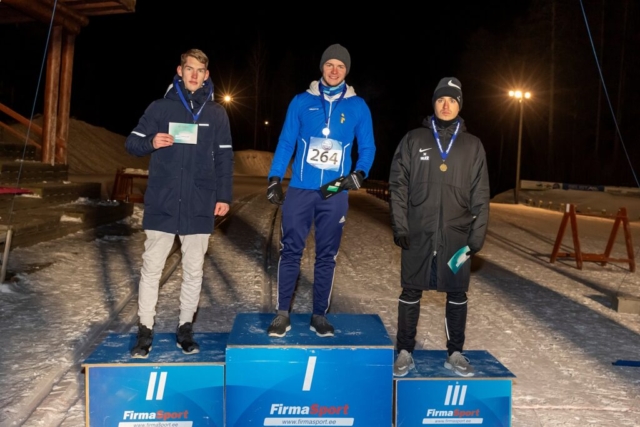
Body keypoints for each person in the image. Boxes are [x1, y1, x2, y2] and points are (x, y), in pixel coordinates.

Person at [125, 48, 233, 358]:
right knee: (151, 269)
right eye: (189, 69)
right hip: (163, 200)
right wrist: (151, 142)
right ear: (180, 71)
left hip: (199, 202)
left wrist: (224, 196)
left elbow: (225, 157)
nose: (194, 75)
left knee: (194, 270)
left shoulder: (216, 113)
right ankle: (145, 329)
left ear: (206, 75)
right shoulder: (160, 108)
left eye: (200, 70)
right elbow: (131, 143)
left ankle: (185, 328)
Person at [265, 43, 376, 338]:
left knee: (327, 255)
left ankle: (319, 316)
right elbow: (286, 142)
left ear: (346, 71)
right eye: (330, 65)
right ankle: (282, 314)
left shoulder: (357, 106)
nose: (334, 70)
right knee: (291, 250)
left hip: (335, 190)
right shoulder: (301, 101)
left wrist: (360, 173)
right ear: (322, 68)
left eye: (340, 66)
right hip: (301, 188)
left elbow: (368, 146)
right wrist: (275, 177)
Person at [388, 77, 490, 377]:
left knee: (457, 293)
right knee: (411, 289)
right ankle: (404, 352)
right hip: (418, 231)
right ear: (434, 103)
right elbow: (398, 185)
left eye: (452, 100)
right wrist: (401, 225)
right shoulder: (414, 139)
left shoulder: (473, 146)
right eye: (441, 99)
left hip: (456, 235)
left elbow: (481, 194)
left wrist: (476, 237)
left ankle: (455, 353)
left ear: (460, 105)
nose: (446, 105)